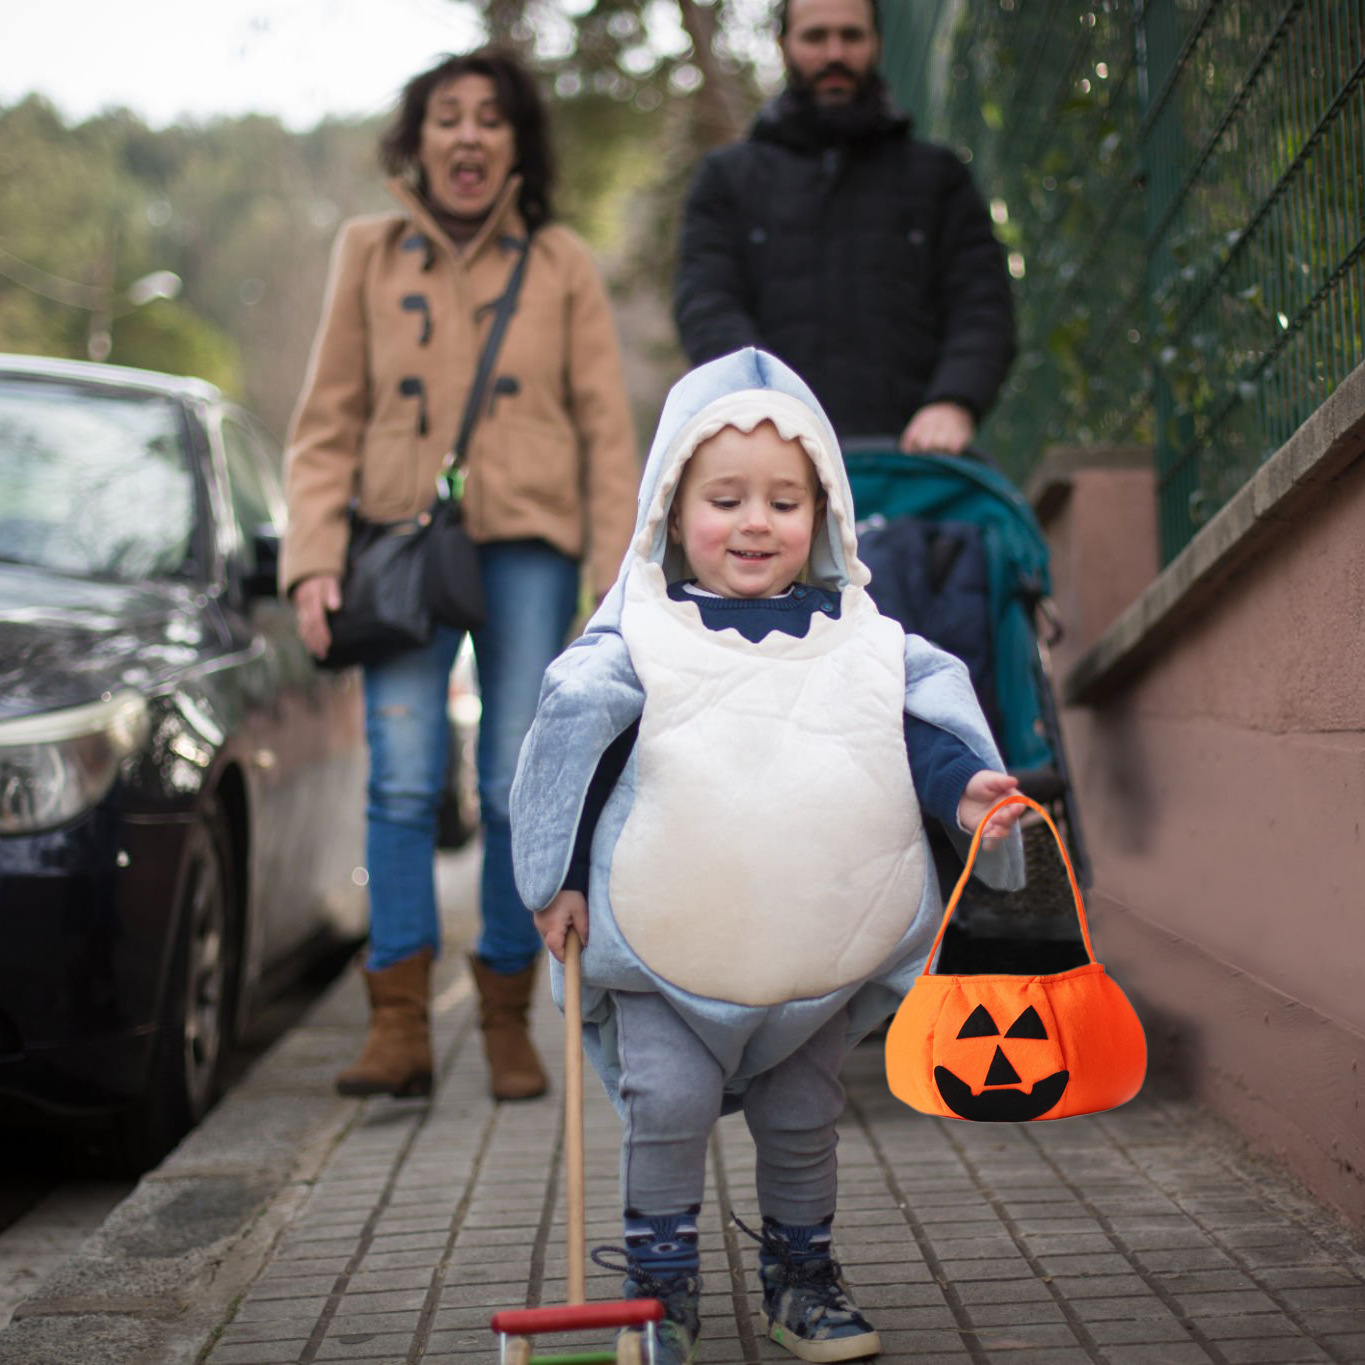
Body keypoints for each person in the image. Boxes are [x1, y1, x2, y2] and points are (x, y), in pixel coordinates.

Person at [509, 348, 1024, 1363]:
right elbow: (582, 753)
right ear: (668, 509)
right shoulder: (640, 640)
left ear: (825, 515)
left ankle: (802, 1279)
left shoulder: (864, 644)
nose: (756, 521)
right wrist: (557, 879)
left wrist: (968, 794)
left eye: (786, 501)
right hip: (666, 946)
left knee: (802, 1116)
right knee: (670, 1103)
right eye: (726, 498)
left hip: (814, 957)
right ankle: (659, 1287)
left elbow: (914, 740)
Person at [281, 48, 638, 1104]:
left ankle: (505, 1012)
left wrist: (616, 574)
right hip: (395, 543)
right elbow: (325, 420)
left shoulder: (561, 259)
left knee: (509, 782)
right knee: (399, 776)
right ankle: (397, 1028)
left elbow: (606, 430)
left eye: (491, 118)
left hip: (530, 542)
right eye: (448, 118)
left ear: (516, 144)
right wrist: (311, 560)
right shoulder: (367, 250)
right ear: (419, 140)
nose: (470, 136)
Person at [674, 0, 1015, 456]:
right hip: (777, 462)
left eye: (851, 36)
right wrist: (765, 403)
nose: (834, 53)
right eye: (815, 37)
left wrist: (954, 400)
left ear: (876, 43)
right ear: (783, 45)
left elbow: (982, 303)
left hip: (916, 467)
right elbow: (706, 301)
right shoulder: (727, 180)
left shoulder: (938, 178)